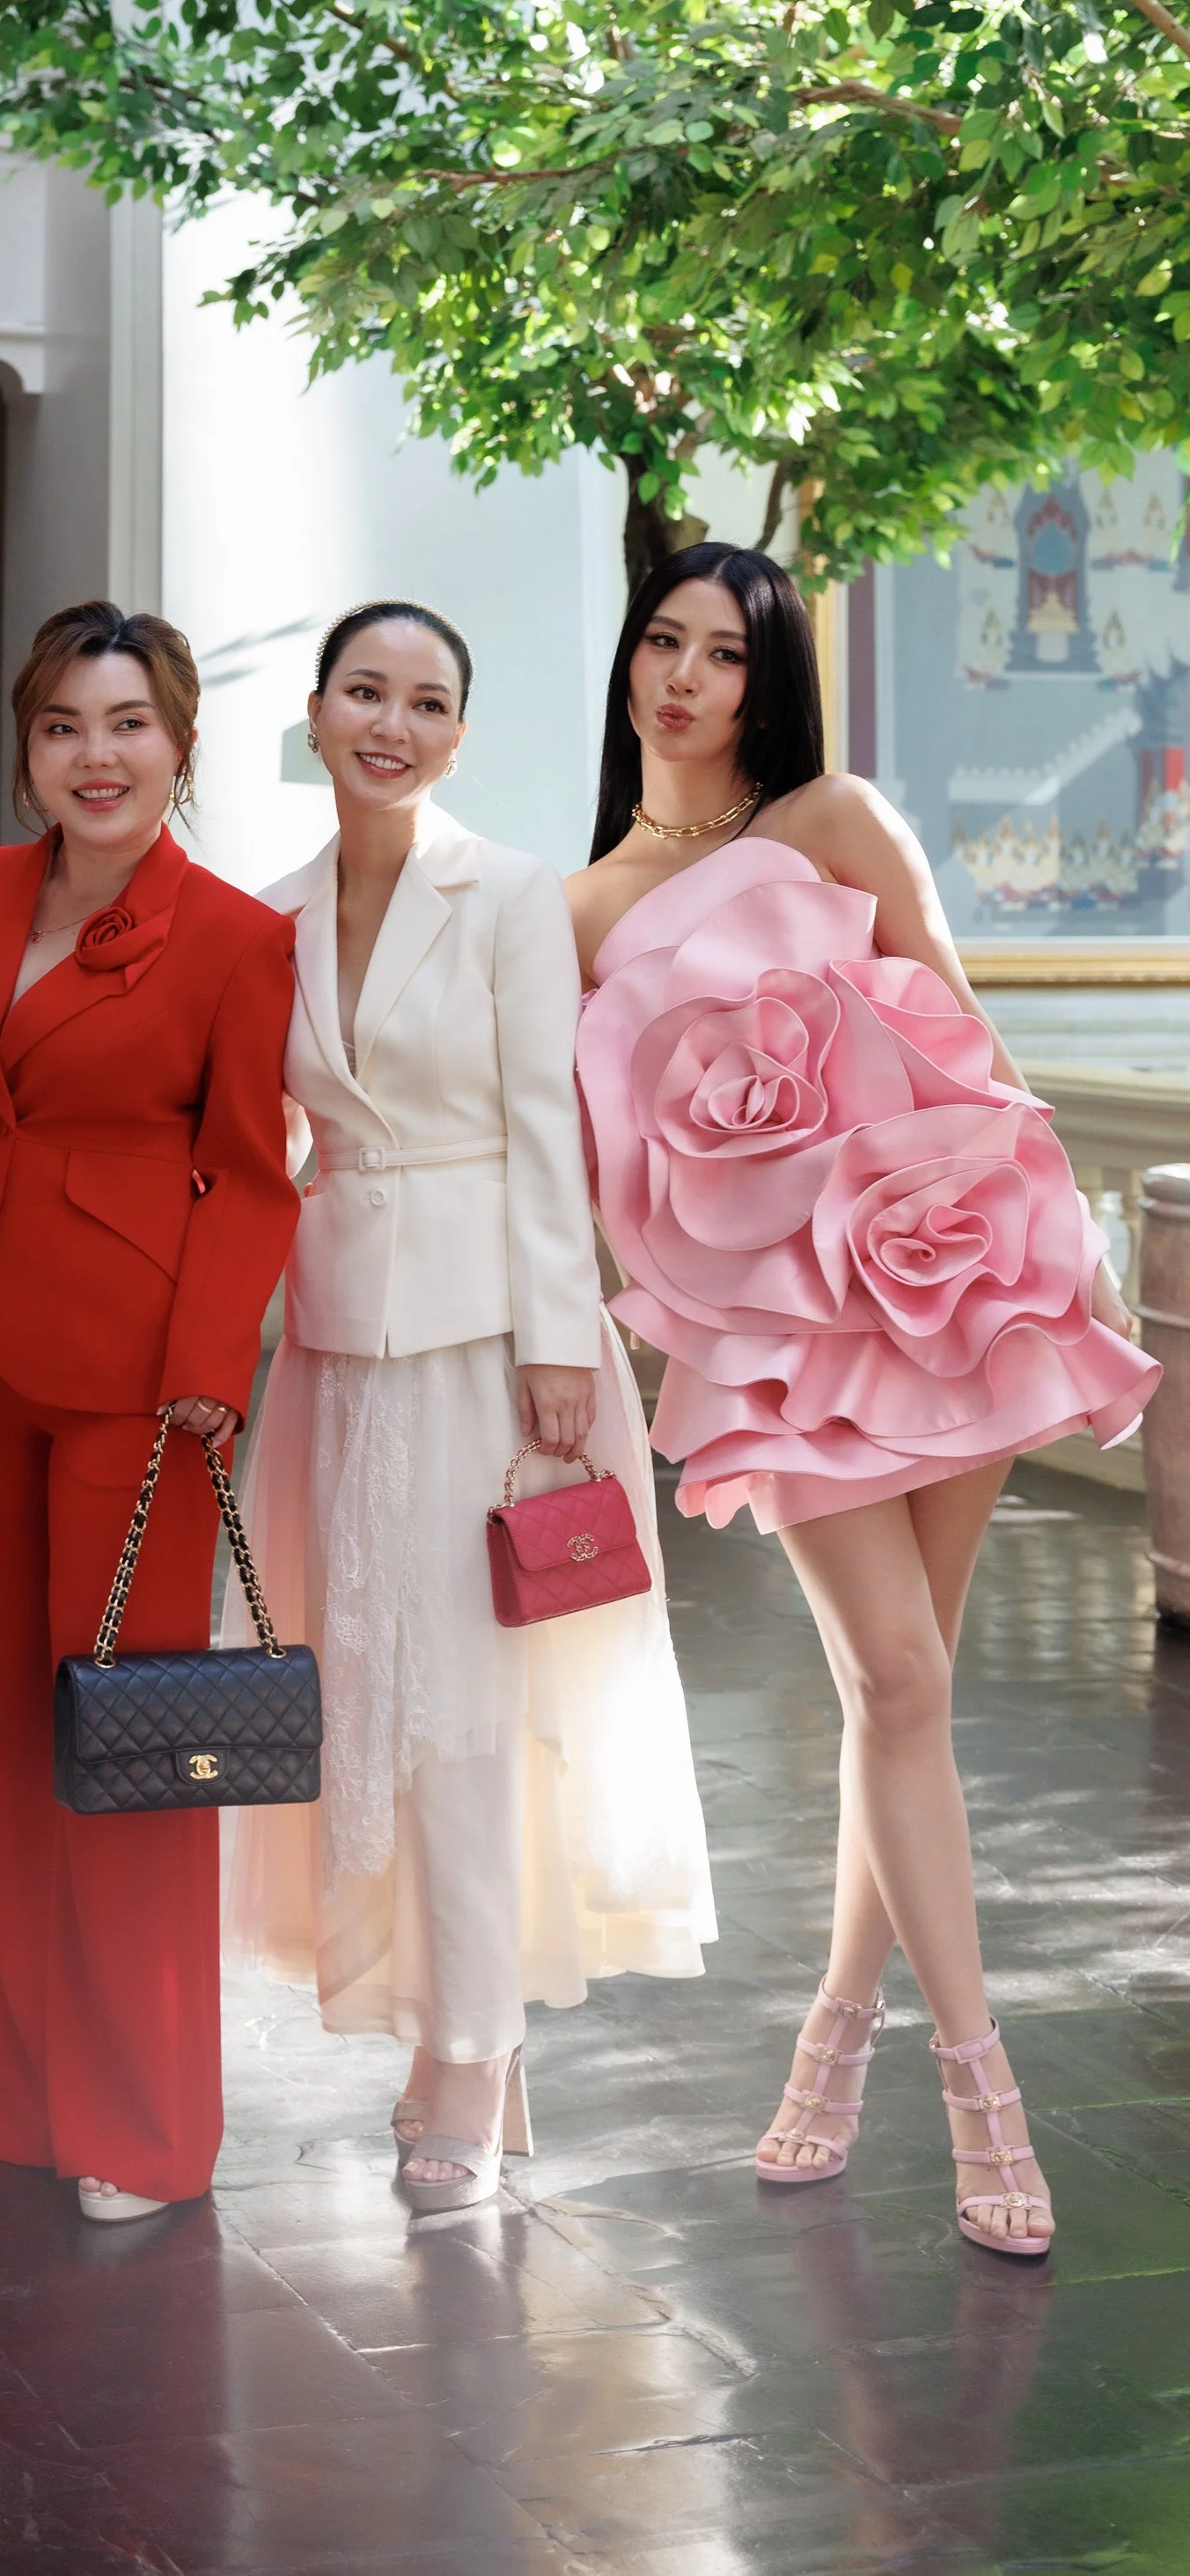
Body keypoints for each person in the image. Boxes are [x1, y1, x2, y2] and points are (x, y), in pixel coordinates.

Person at [569, 544, 1157, 2259]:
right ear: (627, 665)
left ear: (767, 680)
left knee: (897, 1704)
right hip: (777, 1333)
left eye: (723, 652)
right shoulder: (581, 907)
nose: (683, 678)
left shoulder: (830, 818)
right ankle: (981, 2085)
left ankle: (831, 2036)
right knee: (892, 1678)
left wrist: (1078, 1253)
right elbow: (591, 1156)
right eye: (661, 644)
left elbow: (970, 1043)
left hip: (945, 1269)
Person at [224, 603, 716, 2213]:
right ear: (313, 712)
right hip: (334, 1344)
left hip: (492, 1343)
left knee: (472, 1702)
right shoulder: (267, 912)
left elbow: (539, 1125)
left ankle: (471, 2050)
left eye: (428, 700)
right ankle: (447, 2032)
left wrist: (561, 1343)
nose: (394, 722)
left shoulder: (504, 892)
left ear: (458, 731)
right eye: (365, 691)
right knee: (367, 1687)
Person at [0, 602, 299, 2222]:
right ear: (28, 743)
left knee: (135, 1751)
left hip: (143, 1381)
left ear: (181, 744)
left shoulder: (230, 935)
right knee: (6, 1743)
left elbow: (252, 1166)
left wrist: (212, 1361)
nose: (97, 753)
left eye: (128, 722)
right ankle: (24, 2099)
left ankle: (148, 2127)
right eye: (67, 723)